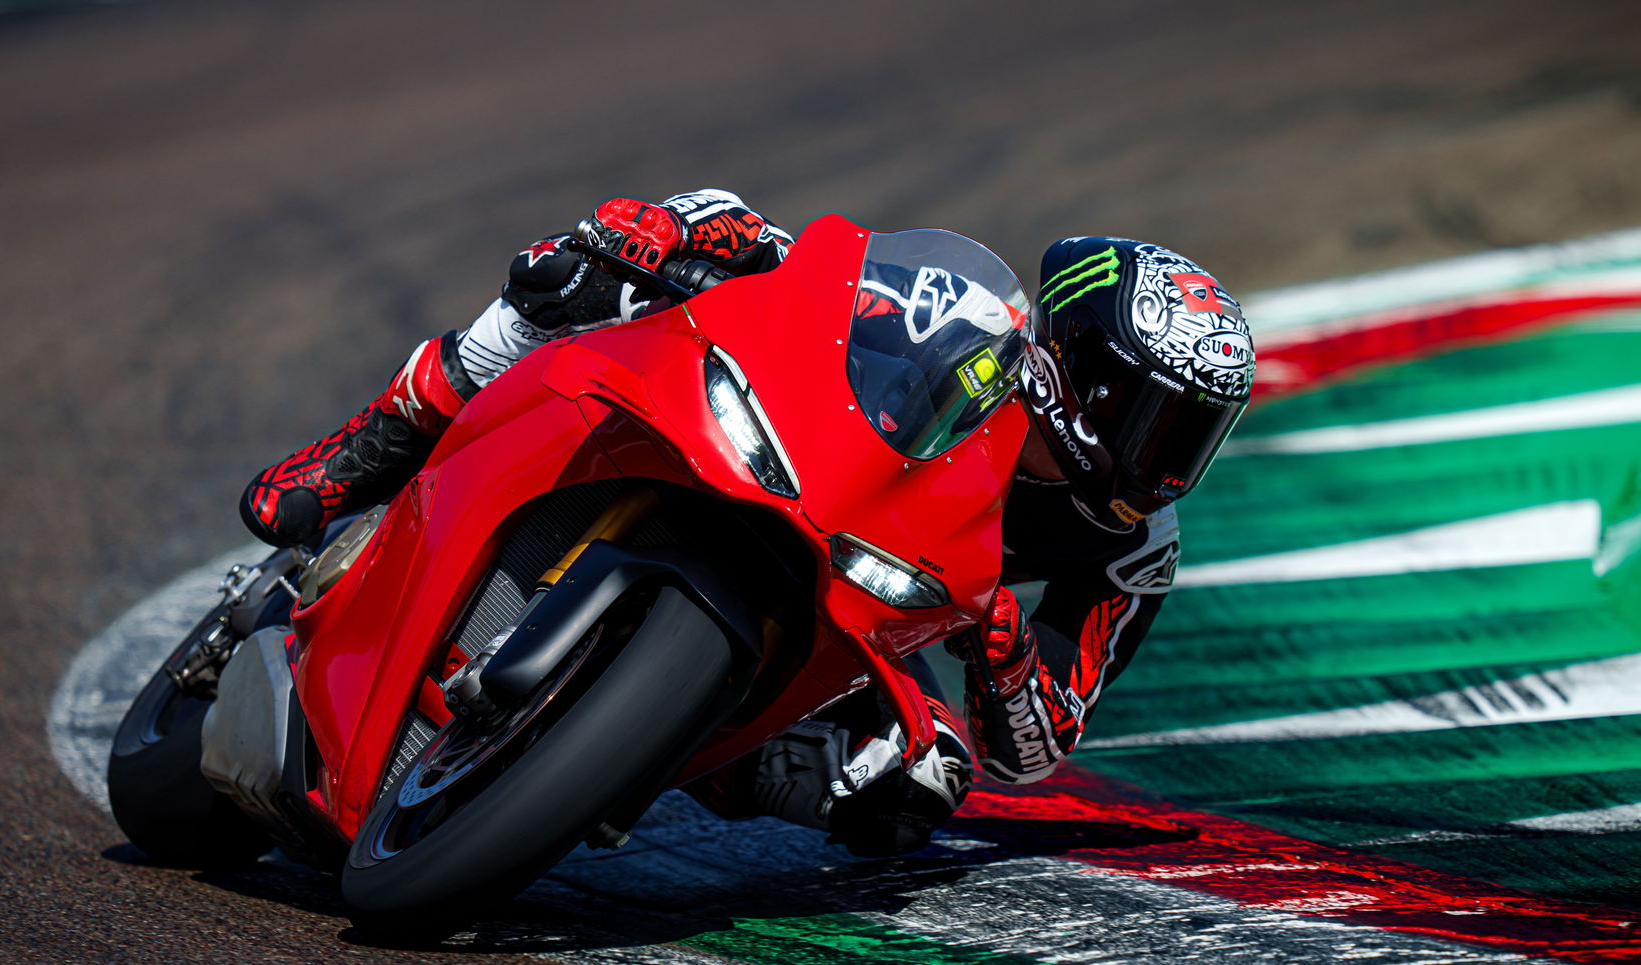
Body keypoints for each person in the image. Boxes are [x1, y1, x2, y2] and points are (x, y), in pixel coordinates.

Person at [240, 190, 1254, 857]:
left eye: (1193, 437)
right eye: (1154, 418)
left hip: (867, 612)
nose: (1167, 463)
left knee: (920, 783)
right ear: (1078, 361)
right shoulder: (974, 325)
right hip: (781, 464)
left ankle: (651, 750)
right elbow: (807, 269)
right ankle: (364, 447)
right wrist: (683, 233)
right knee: (568, 280)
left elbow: (1035, 749)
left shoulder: (1133, 548)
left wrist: (1003, 655)